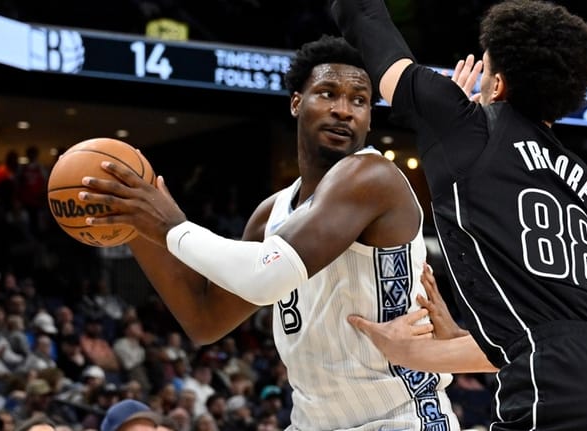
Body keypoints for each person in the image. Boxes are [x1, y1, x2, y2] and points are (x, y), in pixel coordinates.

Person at [328, 0, 587, 429]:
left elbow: (366, 20)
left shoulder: (467, 127)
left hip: (559, 386)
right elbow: (551, 312)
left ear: (496, 84)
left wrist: (451, 114)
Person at [76, 35, 460, 430]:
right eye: (328, 93)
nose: (344, 110)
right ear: (296, 102)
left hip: (399, 419)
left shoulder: (372, 176)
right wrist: (134, 222)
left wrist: (171, 226)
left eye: (359, 100)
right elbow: (205, 319)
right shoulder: (270, 215)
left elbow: (265, 277)